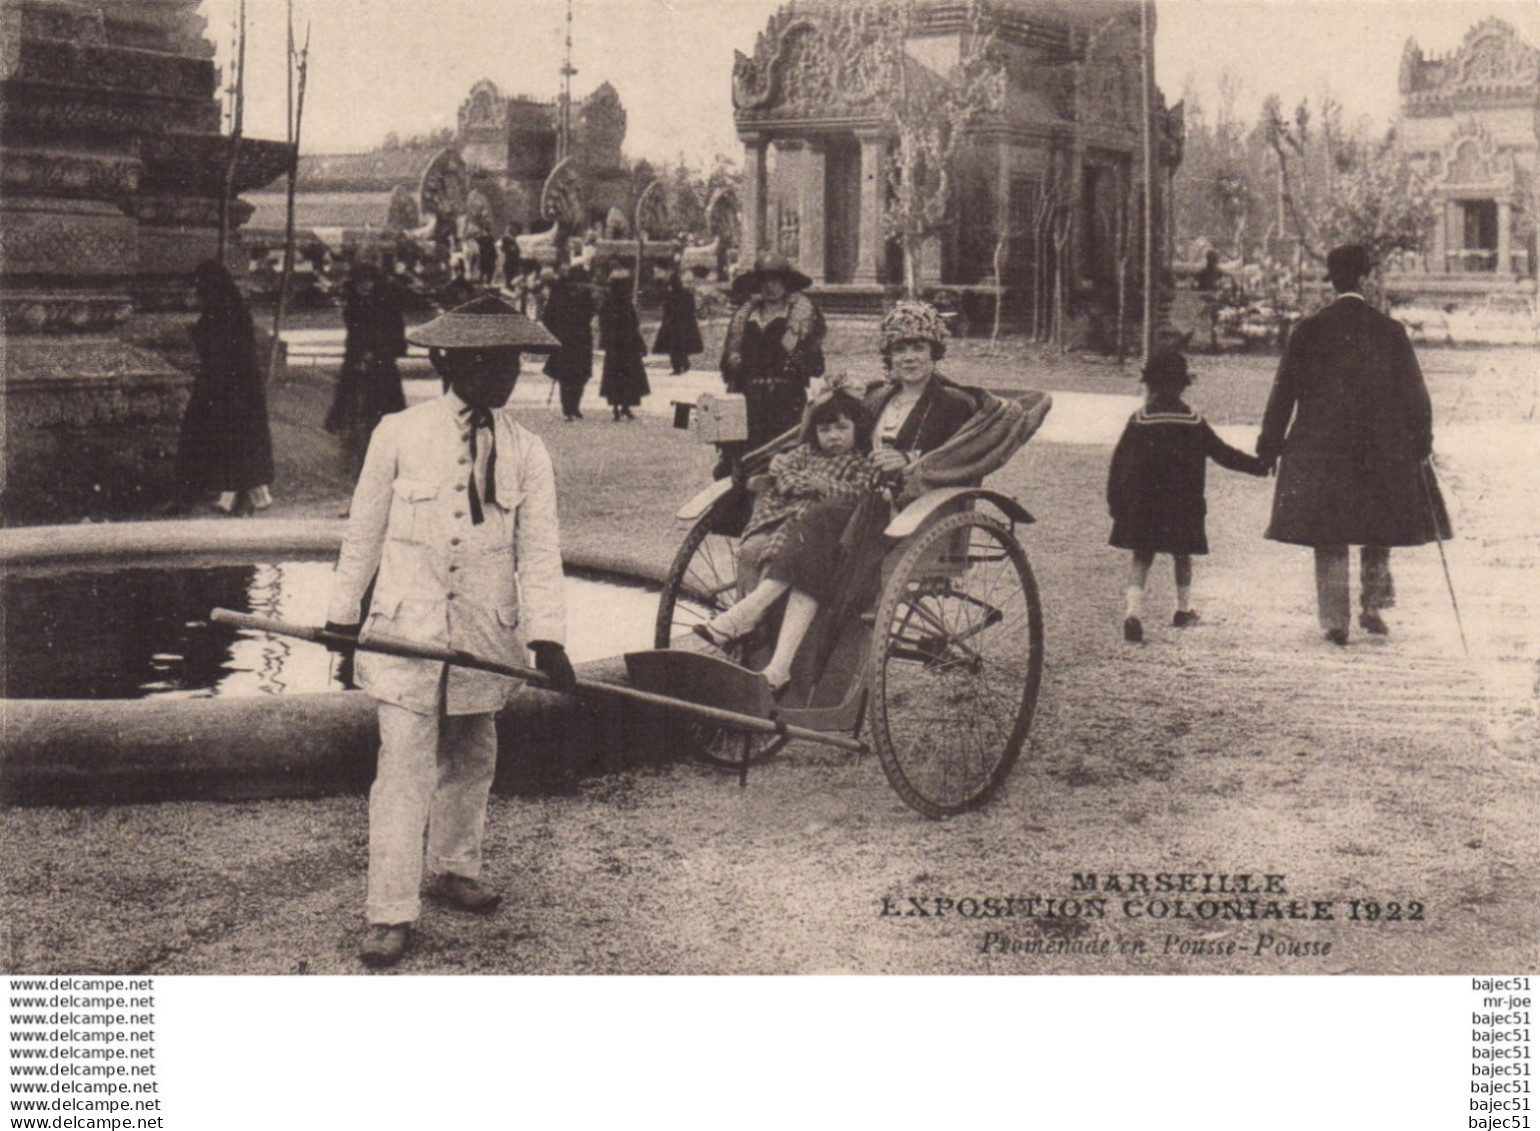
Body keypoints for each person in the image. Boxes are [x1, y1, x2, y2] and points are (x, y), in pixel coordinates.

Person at [323, 294, 577, 968]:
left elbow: (539, 552)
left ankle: (455, 866)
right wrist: (343, 617)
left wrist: (548, 637)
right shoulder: (398, 433)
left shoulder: (528, 452)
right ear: (452, 361)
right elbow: (364, 531)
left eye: (513, 364)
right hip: (407, 630)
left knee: (472, 753)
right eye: (488, 363)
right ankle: (389, 911)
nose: (503, 377)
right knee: (402, 767)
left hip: (483, 635)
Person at [1256, 243, 1450, 646]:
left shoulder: (1308, 331)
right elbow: (1417, 395)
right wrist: (1421, 442)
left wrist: (1269, 446)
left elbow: (1283, 393)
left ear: (1334, 281)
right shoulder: (1390, 331)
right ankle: (1373, 605)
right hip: (1382, 446)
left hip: (1321, 445)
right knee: (1378, 523)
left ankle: (1334, 619)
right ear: (1364, 278)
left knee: (1330, 529)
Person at [695, 390, 881, 692]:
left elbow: (862, 496)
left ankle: (744, 620)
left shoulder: (861, 462)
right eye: (825, 430)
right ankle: (769, 657)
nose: (833, 436)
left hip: (833, 533)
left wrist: (822, 485)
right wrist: (793, 478)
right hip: (791, 521)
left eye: (842, 428)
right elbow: (783, 475)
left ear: (857, 429)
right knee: (754, 549)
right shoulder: (806, 454)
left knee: (793, 551)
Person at [1107, 349, 1269, 643]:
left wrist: (1116, 503)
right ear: (1182, 385)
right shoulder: (1193, 421)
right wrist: (1258, 466)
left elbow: (1119, 464)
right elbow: (1224, 454)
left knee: (1142, 557)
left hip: (1145, 505)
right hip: (1184, 505)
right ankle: (1182, 609)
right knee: (1182, 555)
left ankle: (1133, 613)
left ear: (1150, 385)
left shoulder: (1140, 420)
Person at [174, 260, 275, 515]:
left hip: (230, 388)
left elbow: (221, 348)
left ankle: (233, 498)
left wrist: (195, 333)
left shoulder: (226, 310)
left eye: (199, 287)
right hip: (228, 386)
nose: (196, 293)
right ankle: (234, 498)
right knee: (228, 442)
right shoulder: (227, 307)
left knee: (225, 441)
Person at [720, 251, 826, 452]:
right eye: (765, 281)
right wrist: (732, 362)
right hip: (747, 403)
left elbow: (816, 366)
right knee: (742, 461)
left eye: (776, 281)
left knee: (784, 458)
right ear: (758, 284)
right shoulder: (744, 319)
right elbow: (726, 364)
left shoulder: (799, 318)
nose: (771, 287)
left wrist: (793, 357)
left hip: (786, 404)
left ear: (786, 283)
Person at [325, 264, 407, 477]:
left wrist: (375, 355)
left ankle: (383, 465)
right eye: (360, 282)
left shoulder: (388, 309)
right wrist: (356, 361)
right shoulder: (353, 308)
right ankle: (358, 467)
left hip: (382, 374)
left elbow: (399, 345)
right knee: (354, 421)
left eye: (368, 281)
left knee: (383, 421)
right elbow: (352, 343)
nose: (364, 286)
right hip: (356, 372)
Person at [541, 265, 596, 422]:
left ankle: (571, 407)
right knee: (574, 374)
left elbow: (547, 317)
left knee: (575, 375)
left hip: (574, 339)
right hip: (574, 339)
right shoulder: (562, 292)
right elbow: (548, 317)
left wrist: (556, 332)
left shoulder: (580, 293)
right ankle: (570, 407)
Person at [598, 269, 649, 421]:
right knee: (627, 376)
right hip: (626, 345)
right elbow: (633, 325)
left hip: (615, 345)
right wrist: (639, 343)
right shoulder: (625, 303)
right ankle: (624, 406)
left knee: (616, 376)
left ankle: (617, 407)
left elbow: (604, 324)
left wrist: (606, 339)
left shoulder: (608, 303)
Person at [652, 269, 703, 375]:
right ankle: (683, 363)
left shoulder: (670, 295)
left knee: (673, 347)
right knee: (680, 346)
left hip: (673, 324)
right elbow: (692, 308)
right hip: (684, 324)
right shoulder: (686, 294)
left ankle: (678, 367)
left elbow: (666, 308)